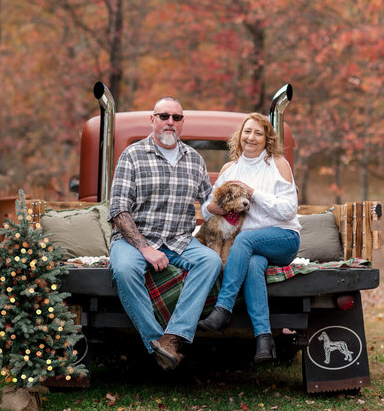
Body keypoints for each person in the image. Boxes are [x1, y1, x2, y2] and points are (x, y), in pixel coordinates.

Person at [108, 96, 222, 370]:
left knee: (211, 262)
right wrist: (145, 249)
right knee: (124, 269)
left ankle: (174, 336)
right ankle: (155, 341)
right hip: (135, 240)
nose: (170, 122)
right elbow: (119, 210)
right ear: (153, 120)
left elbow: (207, 203)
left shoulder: (194, 159)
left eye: (176, 117)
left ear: (182, 123)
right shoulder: (132, 155)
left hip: (179, 240)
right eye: (164, 116)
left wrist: (231, 203)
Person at [197, 112, 301, 362]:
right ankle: (264, 341)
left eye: (258, 133)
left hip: (283, 238)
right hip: (252, 249)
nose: (251, 137)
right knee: (253, 264)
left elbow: (289, 209)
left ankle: (223, 309)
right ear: (239, 136)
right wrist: (215, 208)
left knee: (245, 240)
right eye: (247, 131)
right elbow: (206, 208)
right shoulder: (229, 169)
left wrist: (254, 194)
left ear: (267, 139)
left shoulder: (278, 164)